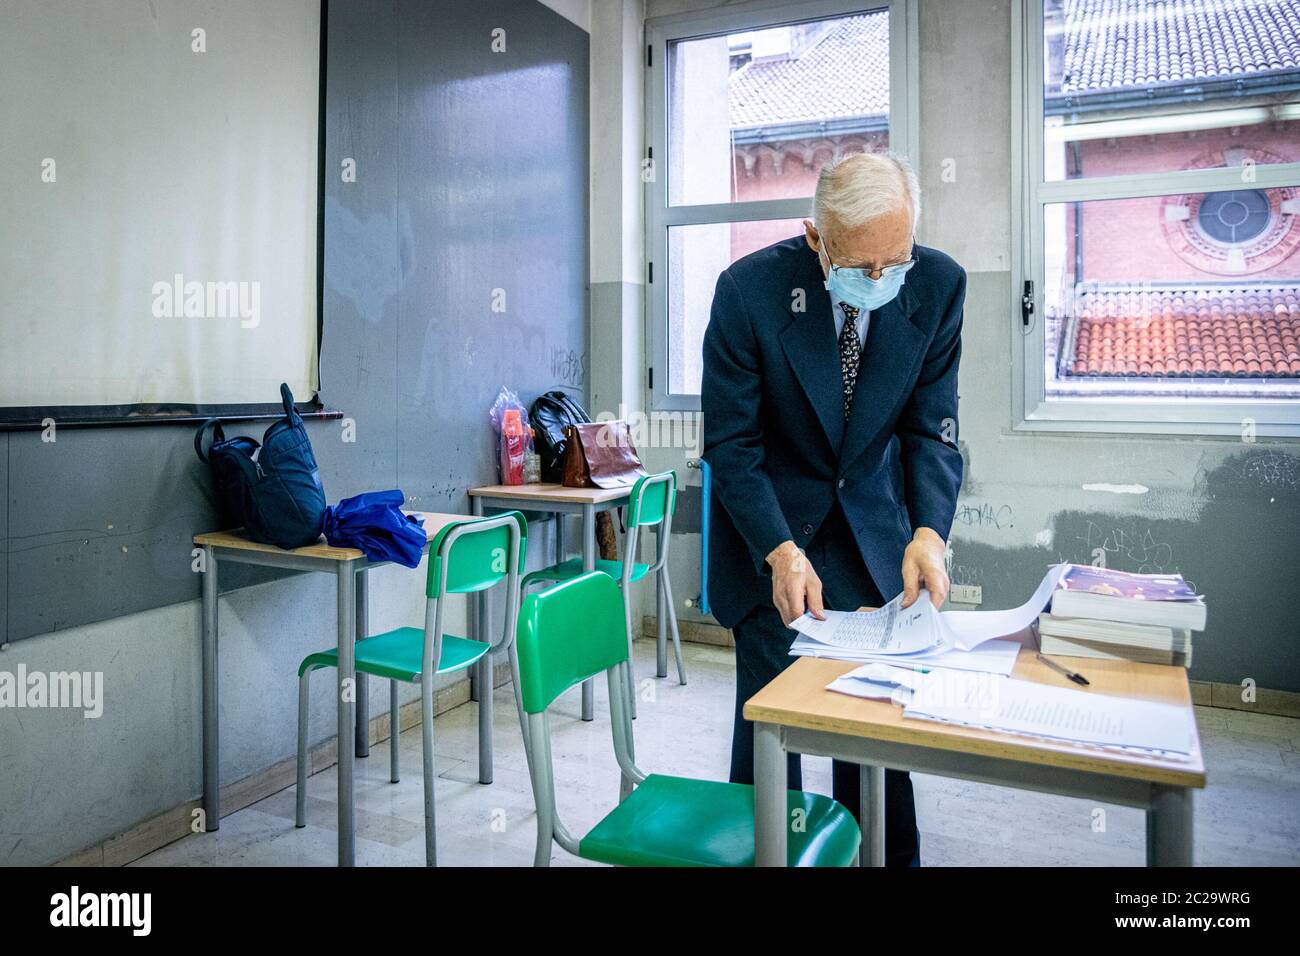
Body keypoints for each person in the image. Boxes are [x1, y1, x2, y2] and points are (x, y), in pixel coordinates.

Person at [701, 152, 965, 867]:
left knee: (876, 740)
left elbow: (932, 428)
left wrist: (928, 533)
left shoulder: (938, 285)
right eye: (862, 265)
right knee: (770, 741)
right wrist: (781, 549)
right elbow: (732, 444)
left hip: (876, 541)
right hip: (771, 543)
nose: (881, 280)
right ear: (817, 238)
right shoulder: (750, 291)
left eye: (896, 260)